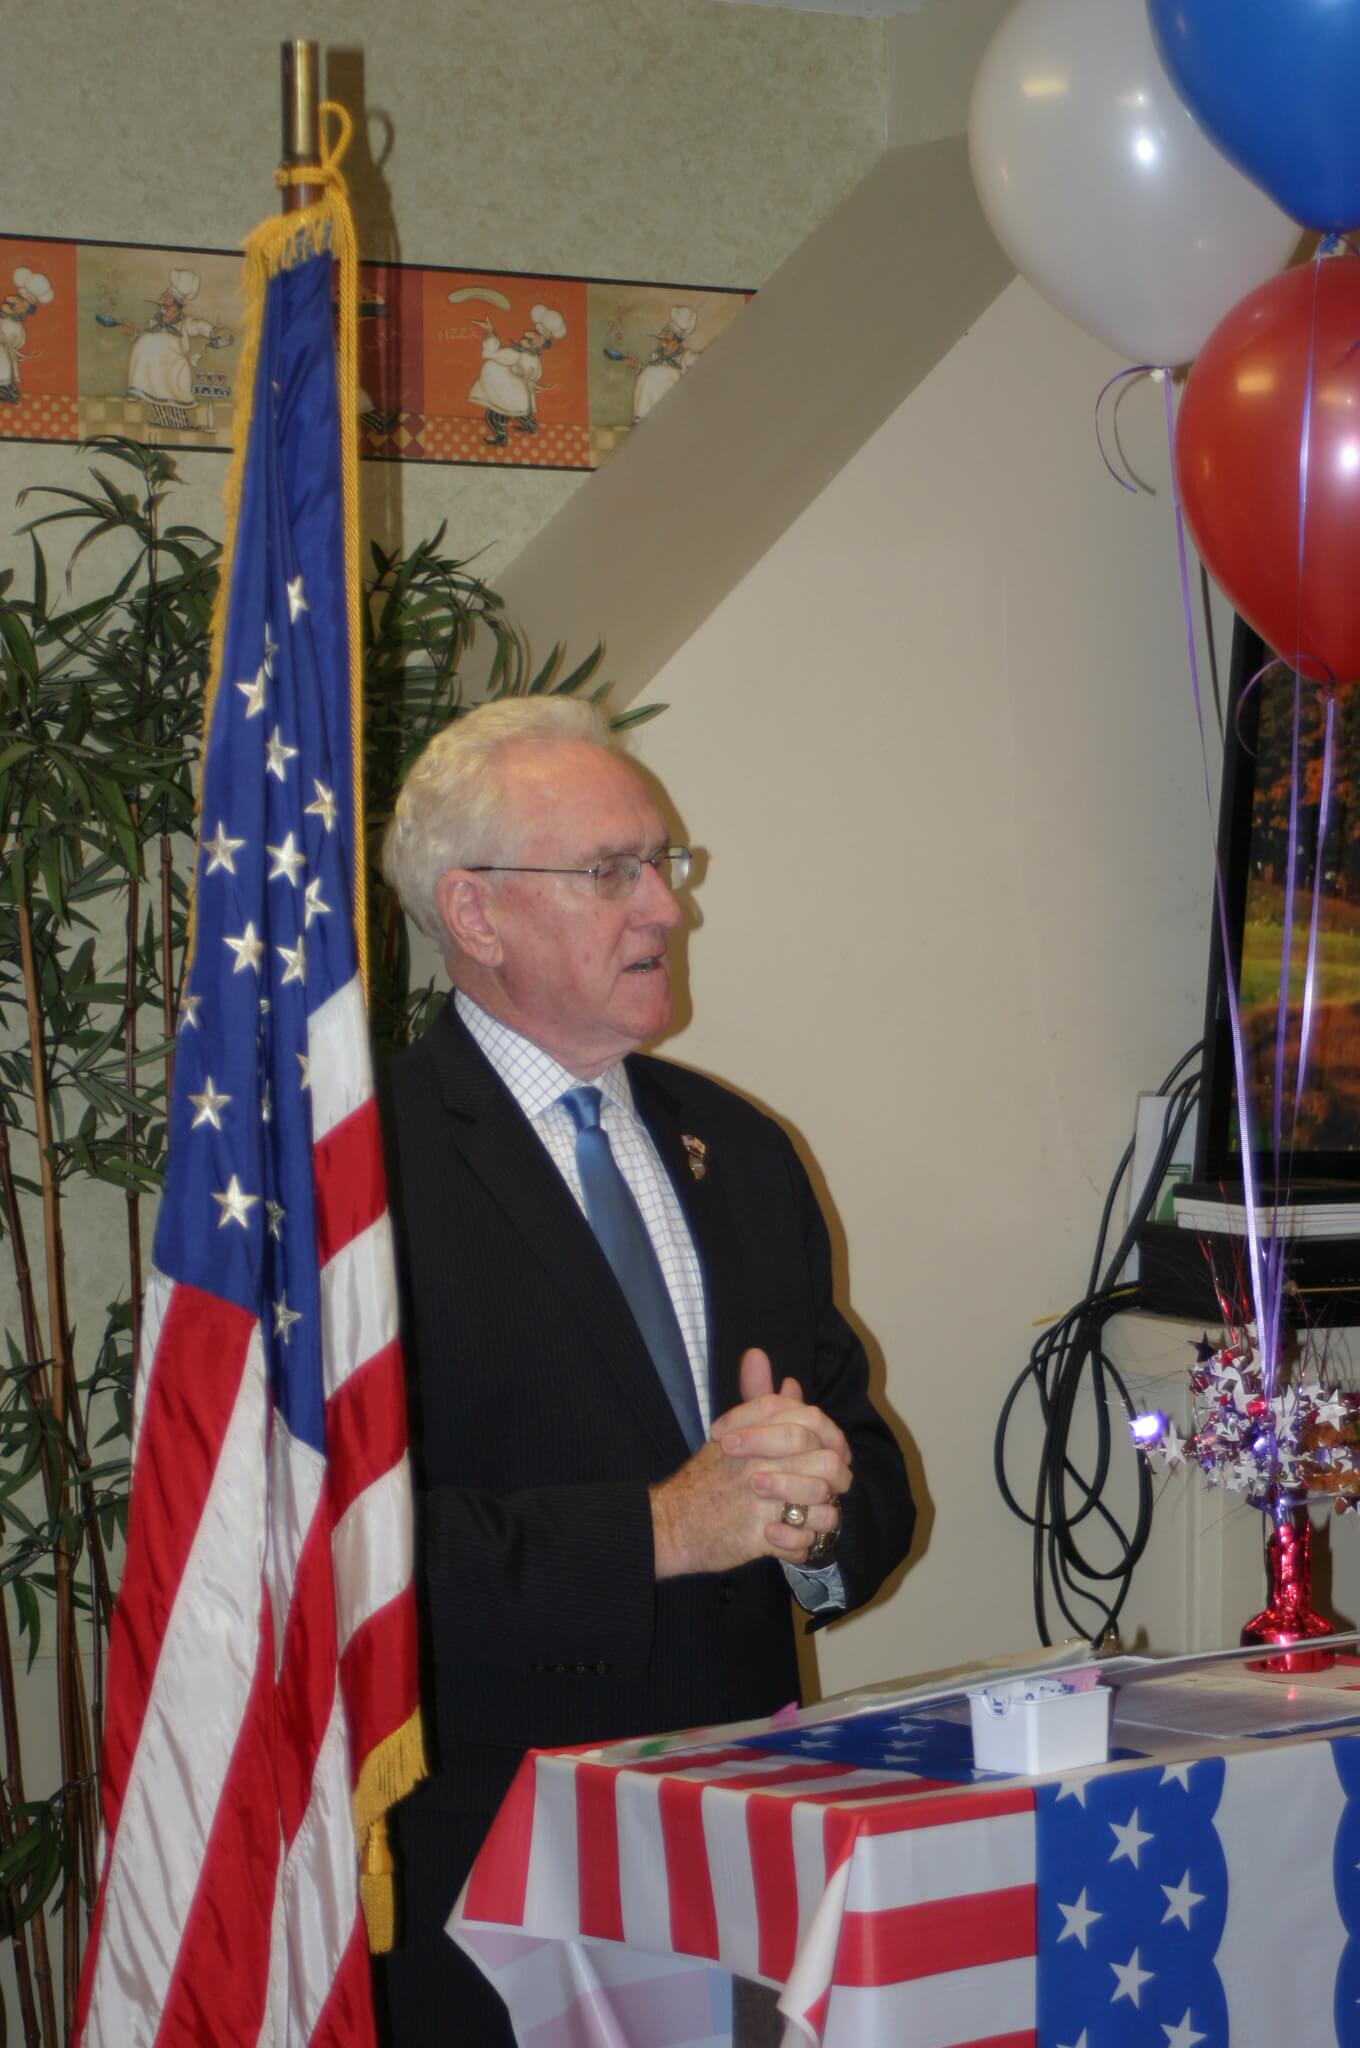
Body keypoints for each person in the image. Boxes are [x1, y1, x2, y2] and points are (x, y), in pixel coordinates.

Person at [375, 697, 914, 2044]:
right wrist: (659, 1531)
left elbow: (862, 1458)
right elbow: (333, 1560)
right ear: (475, 913)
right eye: (610, 872)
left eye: (663, 863)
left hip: (747, 1845)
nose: (666, 910)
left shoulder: (741, 1146)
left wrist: (814, 1512)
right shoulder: (359, 1173)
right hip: (493, 1879)